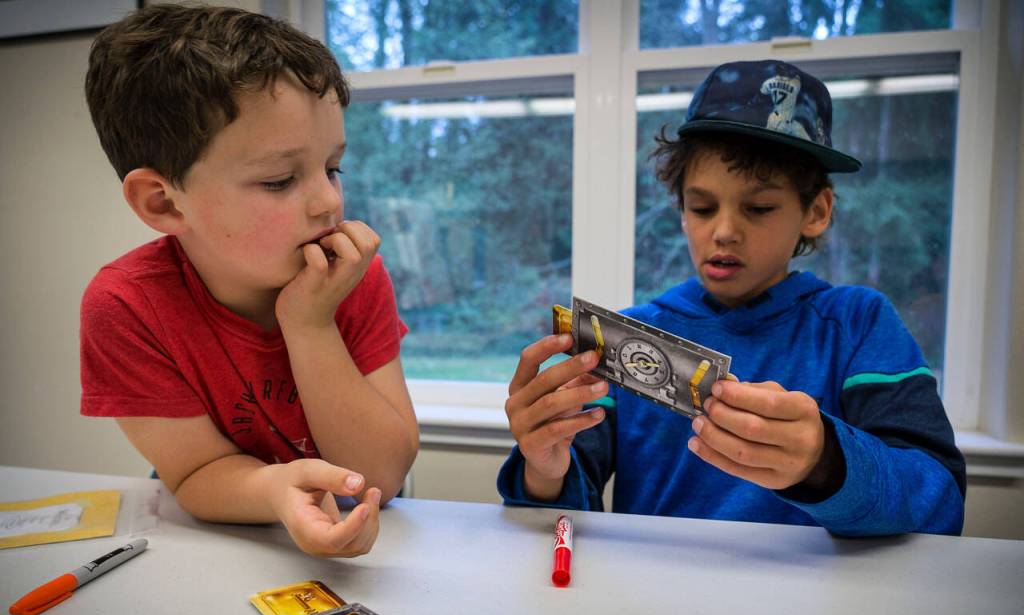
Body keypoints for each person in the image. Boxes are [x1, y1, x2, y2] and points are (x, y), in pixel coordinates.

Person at [498, 60, 965, 536]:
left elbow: (941, 501)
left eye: (758, 208)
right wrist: (543, 468)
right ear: (681, 209)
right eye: (701, 207)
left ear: (817, 211)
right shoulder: (626, 339)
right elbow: (562, 514)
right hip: (652, 599)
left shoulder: (859, 324)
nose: (723, 232)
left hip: (815, 602)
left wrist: (825, 461)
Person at [80, 4, 418, 556]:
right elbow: (195, 474)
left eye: (333, 167)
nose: (330, 201)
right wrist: (275, 492)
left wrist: (309, 324)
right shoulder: (127, 304)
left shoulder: (354, 273)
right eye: (280, 180)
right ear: (163, 202)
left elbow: (380, 472)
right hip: (213, 543)